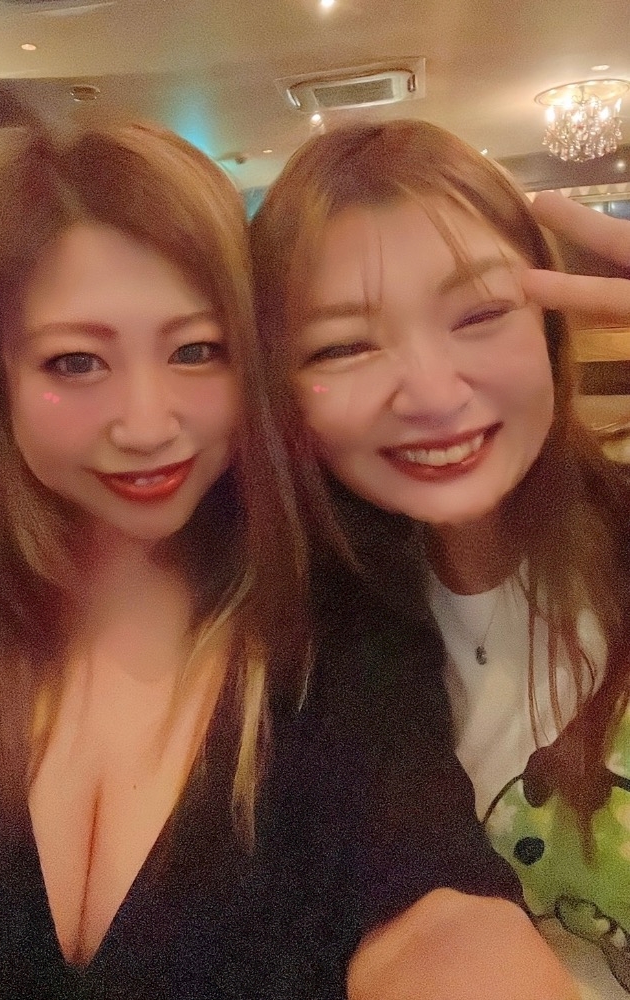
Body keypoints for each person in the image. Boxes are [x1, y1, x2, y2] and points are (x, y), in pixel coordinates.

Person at [0, 117, 576, 1000]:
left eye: (196, 350)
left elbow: (435, 910)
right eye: (75, 362)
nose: (146, 424)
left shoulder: (330, 596)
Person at [251, 118, 630, 1000]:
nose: (430, 394)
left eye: (481, 314)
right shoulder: (293, 654)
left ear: (549, 324)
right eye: (343, 345)